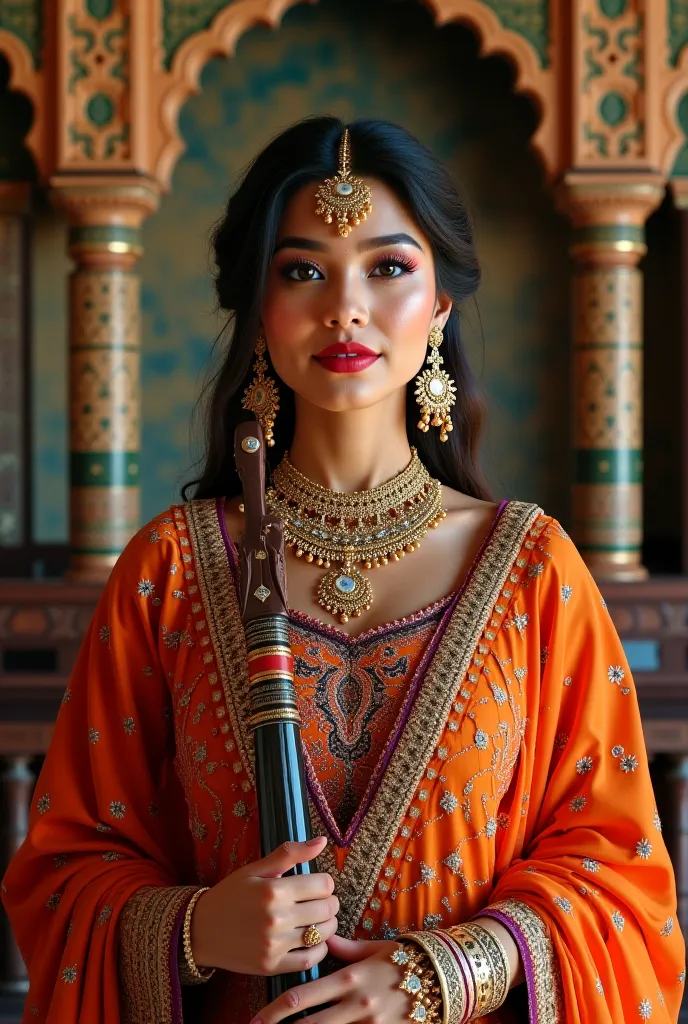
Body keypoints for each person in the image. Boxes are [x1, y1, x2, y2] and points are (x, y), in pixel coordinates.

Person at [2, 116, 684, 1024]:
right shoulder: (169, 570)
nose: (345, 306)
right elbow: (64, 870)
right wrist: (199, 930)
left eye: (389, 267)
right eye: (303, 270)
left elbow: (621, 880)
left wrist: (445, 972)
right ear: (259, 307)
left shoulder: (530, 571)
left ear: (440, 304)